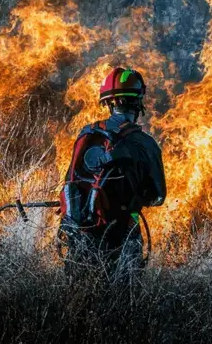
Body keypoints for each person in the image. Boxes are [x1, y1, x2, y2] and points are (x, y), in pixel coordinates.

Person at [59, 67, 166, 271]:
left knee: (78, 296)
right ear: (138, 102)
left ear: (108, 103)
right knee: (124, 299)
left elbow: (71, 180)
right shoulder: (145, 143)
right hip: (124, 235)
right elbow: (158, 197)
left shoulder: (87, 135)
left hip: (82, 235)